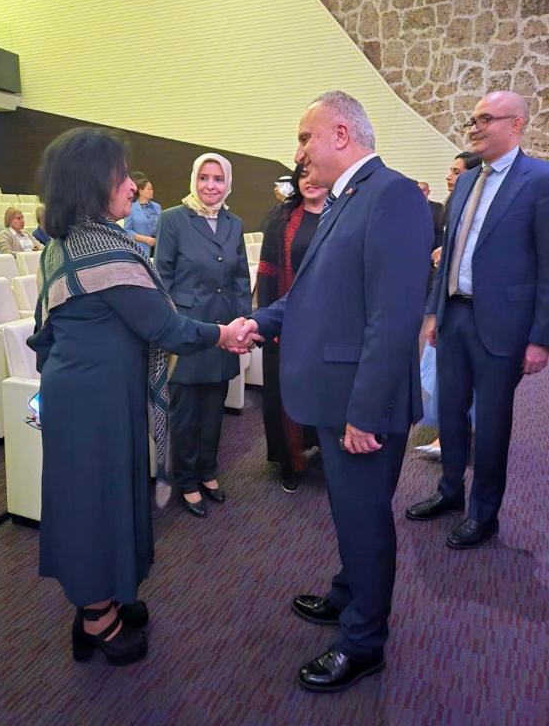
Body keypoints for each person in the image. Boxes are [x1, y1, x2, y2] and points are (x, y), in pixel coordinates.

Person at [28, 127, 249, 667]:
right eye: (121, 176)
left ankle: (110, 593)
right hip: (93, 400)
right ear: (91, 183)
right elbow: (165, 327)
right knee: (93, 504)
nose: (132, 185)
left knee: (108, 495)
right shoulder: (101, 248)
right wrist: (223, 334)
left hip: (91, 391)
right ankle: (94, 618)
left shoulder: (69, 240)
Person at [237, 90, 432, 692]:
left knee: (365, 522)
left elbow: (393, 319)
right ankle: (349, 594)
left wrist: (365, 413)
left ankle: (364, 642)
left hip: (362, 403)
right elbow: (312, 297)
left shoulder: (392, 195)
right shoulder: (348, 198)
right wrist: (256, 323)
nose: (298, 152)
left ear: (342, 135)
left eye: (305, 137)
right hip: (336, 393)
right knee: (350, 514)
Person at [407, 91, 549, 549]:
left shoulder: (540, 180)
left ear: (517, 124)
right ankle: (450, 491)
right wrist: (434, 310)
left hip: (504, 326)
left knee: (490, 426)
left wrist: (541, 338)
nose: (475, 128)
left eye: (486, 119)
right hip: (455, 317)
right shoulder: (467, 180)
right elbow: (450, 251)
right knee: (449, 413)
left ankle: (483, 514)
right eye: (473, 120)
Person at [155, 153, 251, 517]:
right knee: (185, 413)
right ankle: (186, 480)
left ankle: (208, 470)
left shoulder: (234, 223)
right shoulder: (173, 219)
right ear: (194, 179)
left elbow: (240, 278)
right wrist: (169, 327)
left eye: (218, 179)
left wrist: (244, 324)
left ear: (228, 183)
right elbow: (162, 277)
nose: (211, 185)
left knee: (214, 408)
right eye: (204, 178)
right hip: (187, 330)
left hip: (224, 329)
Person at [256, 163, 328, 493]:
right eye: (303, 175)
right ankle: (290, 461)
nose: (310, 181)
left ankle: (324, 453)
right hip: (285, 323)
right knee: (284, 394)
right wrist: (268, 321)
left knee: (325, 391)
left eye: (316, 175)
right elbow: (267, 273)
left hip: (328, 326)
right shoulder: (281, 218)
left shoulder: (343, 216)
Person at [415, 151, 481, 458]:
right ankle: (450, 434)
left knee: (457, 375)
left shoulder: (473, 205)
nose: (449, 176)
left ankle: (451, 437)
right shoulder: (451, 204)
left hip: (467, 305)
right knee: (445, 372)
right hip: (446, 301)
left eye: (456, 172)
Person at [123, 177, 162, 258]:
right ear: (140, 191)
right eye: (149, 189)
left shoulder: (157, 206)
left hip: (159, 246)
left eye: (152, 189)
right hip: (142, 248)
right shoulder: (131, 208)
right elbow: (127, 230)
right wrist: (145, 239)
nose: (152, 191)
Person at [417, 181, 444, 250]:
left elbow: (439, 230)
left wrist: (439, 248)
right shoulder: (409, 208)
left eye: (423, 190)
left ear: (428, 192)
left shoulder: (437, 207)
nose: (420, 193)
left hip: (433, 247)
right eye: (418, 190)